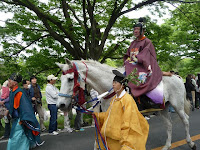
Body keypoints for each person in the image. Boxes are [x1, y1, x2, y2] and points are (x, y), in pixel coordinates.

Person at [93, 70, 149, 150]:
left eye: (115, 83)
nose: (113, 84)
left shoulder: (127, 99)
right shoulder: (115, 99)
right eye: (113, 82)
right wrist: (97, 115)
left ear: (122, 85)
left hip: (121, 141)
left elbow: (129, 122)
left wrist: (126, 143)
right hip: (112, 139)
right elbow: (109, 115)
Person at [124, 17, 171, 108]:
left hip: (144, 65)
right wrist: (128, 59)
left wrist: (137, 59)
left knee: (140, 77)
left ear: (143, 31)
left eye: (137, 29)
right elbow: (128, 54)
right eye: (134, 29)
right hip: (133, 65)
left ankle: (145, 101)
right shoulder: (133, 43)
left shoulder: (147, 42)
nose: (135, 31)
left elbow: (145, 55)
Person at [7, 73, 44, 149]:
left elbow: (25, 107)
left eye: (9, 81)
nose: (8, 83)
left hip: (19, 119)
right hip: (16, 119)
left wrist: (23, 119)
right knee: (22, 135)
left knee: (14, 137)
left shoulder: (19, 93)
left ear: (14, 83)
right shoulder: (12, 92)